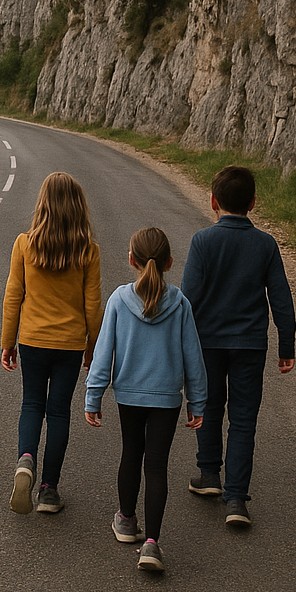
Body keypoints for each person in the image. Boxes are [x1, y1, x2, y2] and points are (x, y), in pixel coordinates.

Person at [180, 164, 296, 527]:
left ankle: (209, 475)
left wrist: (176, 345)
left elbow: (188, 299)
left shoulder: (202, 241)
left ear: (213, 201)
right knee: (244, 419)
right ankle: (236, 500)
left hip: (208, 343)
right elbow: (281, 297)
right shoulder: (265, 244)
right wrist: (286, 345)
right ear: (253, 203)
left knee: (209, 406)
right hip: (249, 345)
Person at [85, 227, 206, 574]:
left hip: (129, 396)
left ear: (131, 260)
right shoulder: (180, 302)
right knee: (156, 466)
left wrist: (93, 397)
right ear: (169, 262)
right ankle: (151, 543)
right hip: (166, 398)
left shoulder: (119, 300)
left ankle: (125, 520)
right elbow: (193, 357)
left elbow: (103, 353)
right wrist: (197, 402)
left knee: (130, 454)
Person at [1, 172, 104, 515]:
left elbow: (13, 296)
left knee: (32, 403)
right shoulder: (88, 250)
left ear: (41, 205)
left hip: (32, 339)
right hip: (70, 344)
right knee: (58, 411)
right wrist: (94, 347)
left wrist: (8, 342)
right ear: (79, 208)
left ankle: (25, 459)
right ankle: (48, 489)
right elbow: (93, 304)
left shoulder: (25, 244)